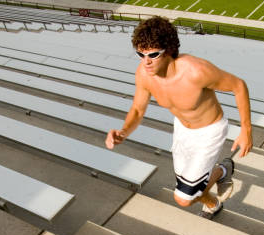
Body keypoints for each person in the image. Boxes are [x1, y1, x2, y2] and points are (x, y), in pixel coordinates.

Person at [106, 16, 252, 219]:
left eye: (153, 54)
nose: (146, 62)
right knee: (186, 186)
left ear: (170, 50)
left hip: (210, 131)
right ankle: (213, 201)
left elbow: (239, 86)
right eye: (141, 54)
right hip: (182, 130)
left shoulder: (196, 71)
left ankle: (221, 171)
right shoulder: (144, 73)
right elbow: (138, 110)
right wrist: (123, 132)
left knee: (183, 197)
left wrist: (246, 130)